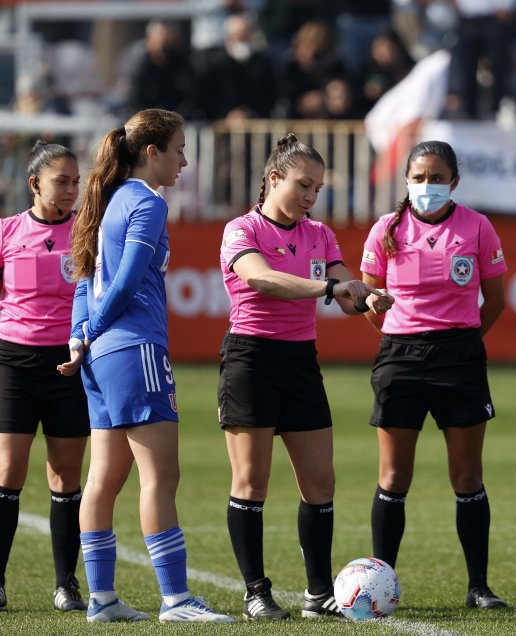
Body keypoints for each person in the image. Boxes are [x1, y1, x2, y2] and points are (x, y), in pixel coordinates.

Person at [58, 109, 234, 624]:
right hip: (135, 350)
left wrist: (81, 337)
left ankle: (102, 599)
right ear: (151, 152)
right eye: (179, 149)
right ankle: (177, 600)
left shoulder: (106, 202)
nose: (185, 160)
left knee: (104, 478)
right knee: (160, 476)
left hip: (101, 359)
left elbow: (85, 280)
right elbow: (129, 280)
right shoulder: (147, 203)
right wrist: (90, 331)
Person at [218, 133, 391, 620]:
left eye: (317, 189)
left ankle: (319, 594)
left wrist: (368, 297)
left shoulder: (320, 234)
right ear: (274, 178)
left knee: (320, 482)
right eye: (303, 185)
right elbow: (260, 278)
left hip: (300, 362)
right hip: (250, 361)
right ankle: (256, 592)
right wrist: (331, 286)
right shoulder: (241, 229)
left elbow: (345, 291)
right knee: (251, 482)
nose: (311, 198)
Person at [360, 140, 509, 610]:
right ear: (406, 180)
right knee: (393, 476)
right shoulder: (386, 229)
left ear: (455, 182)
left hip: (460, 357)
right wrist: (402, 333)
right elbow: (369, 301)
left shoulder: (477, 227)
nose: (428, 185)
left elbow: (497, 300)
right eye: (420, 177)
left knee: (467, 476)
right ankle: (382, 586)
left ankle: (478, 587)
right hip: (400, 358)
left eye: (438, 177)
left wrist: (462, 335)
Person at [0, 141, 87, 613]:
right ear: (34, 183)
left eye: (77, 181)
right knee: (8, 471)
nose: (71, 190)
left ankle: (66, 584)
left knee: (65, 477)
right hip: (15, 365)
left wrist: (85, 349)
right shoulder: (3, 233)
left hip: (69, 365)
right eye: (62, 181)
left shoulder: (87, 234)